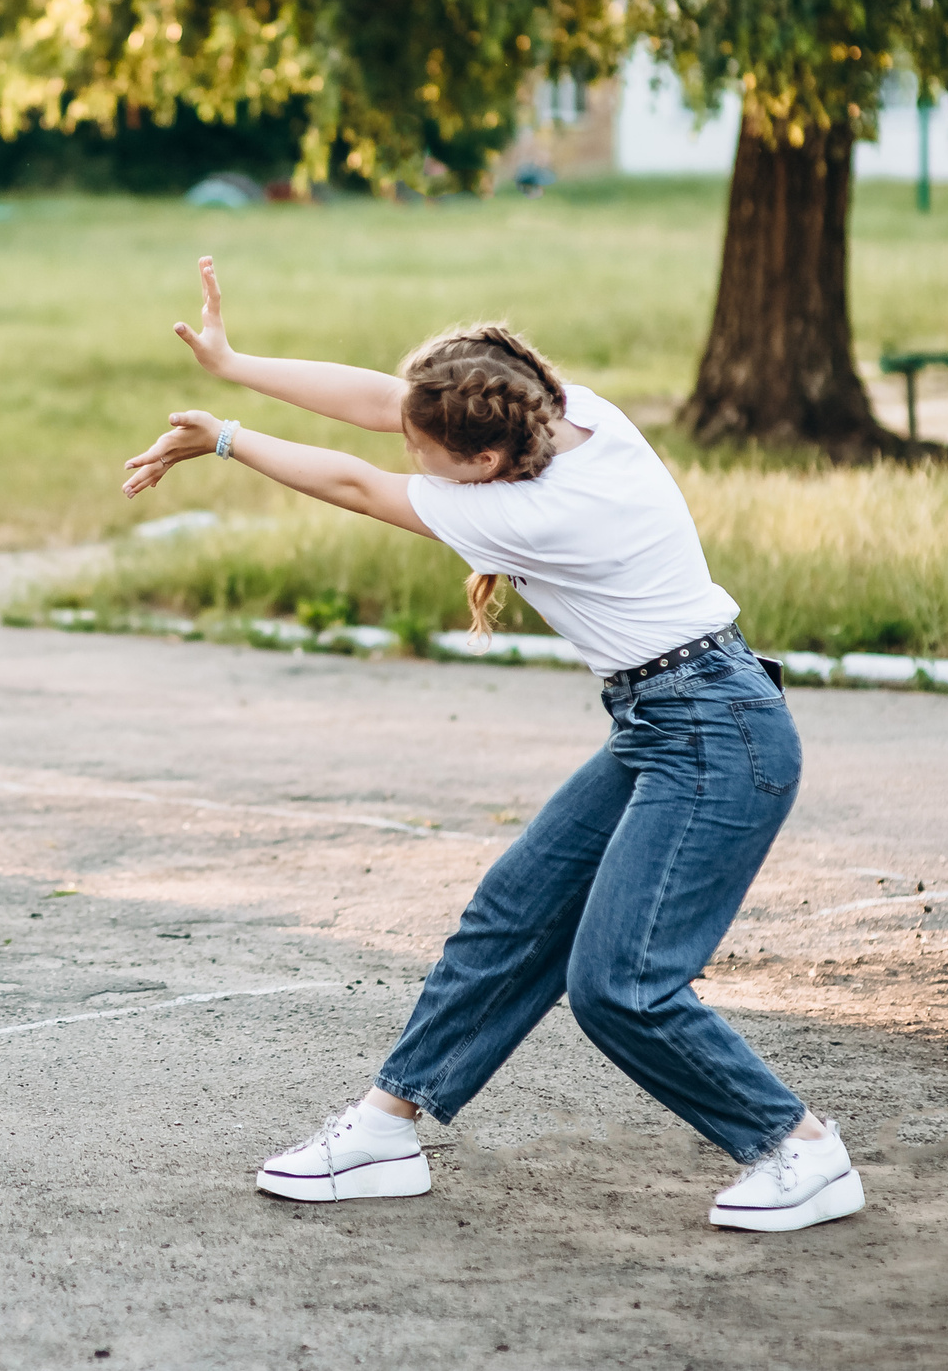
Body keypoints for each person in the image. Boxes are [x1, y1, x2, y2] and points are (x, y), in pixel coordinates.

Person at [121, 257, 864, 1234]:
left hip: (712, 735)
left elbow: (351, 478)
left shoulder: (529, 510)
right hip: (676, 714)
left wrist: (225, 437)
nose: (412, 449)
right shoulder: (568, 415)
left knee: (619, 985)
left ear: (476, 462)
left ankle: (795, 1147)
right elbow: (388, 403)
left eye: (428, 450)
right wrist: (234, 365)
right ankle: (389, 1127)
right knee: (513, 913)